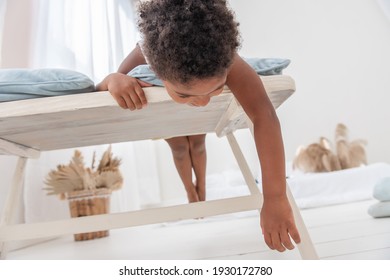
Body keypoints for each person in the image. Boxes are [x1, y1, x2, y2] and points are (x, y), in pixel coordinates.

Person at [97, 0, 300, 252]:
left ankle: (200, 189)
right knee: (180, 149)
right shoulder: (146, 54)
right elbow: (108, 84)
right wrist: (113, 80)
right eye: (184, 94)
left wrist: (275, 197)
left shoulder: (226, 59)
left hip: (198, 123)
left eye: (217, 89)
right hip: (166, 119)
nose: (203, 102)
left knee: (198, 145)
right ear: (158, 73)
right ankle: (190, 192)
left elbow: (264, 115)